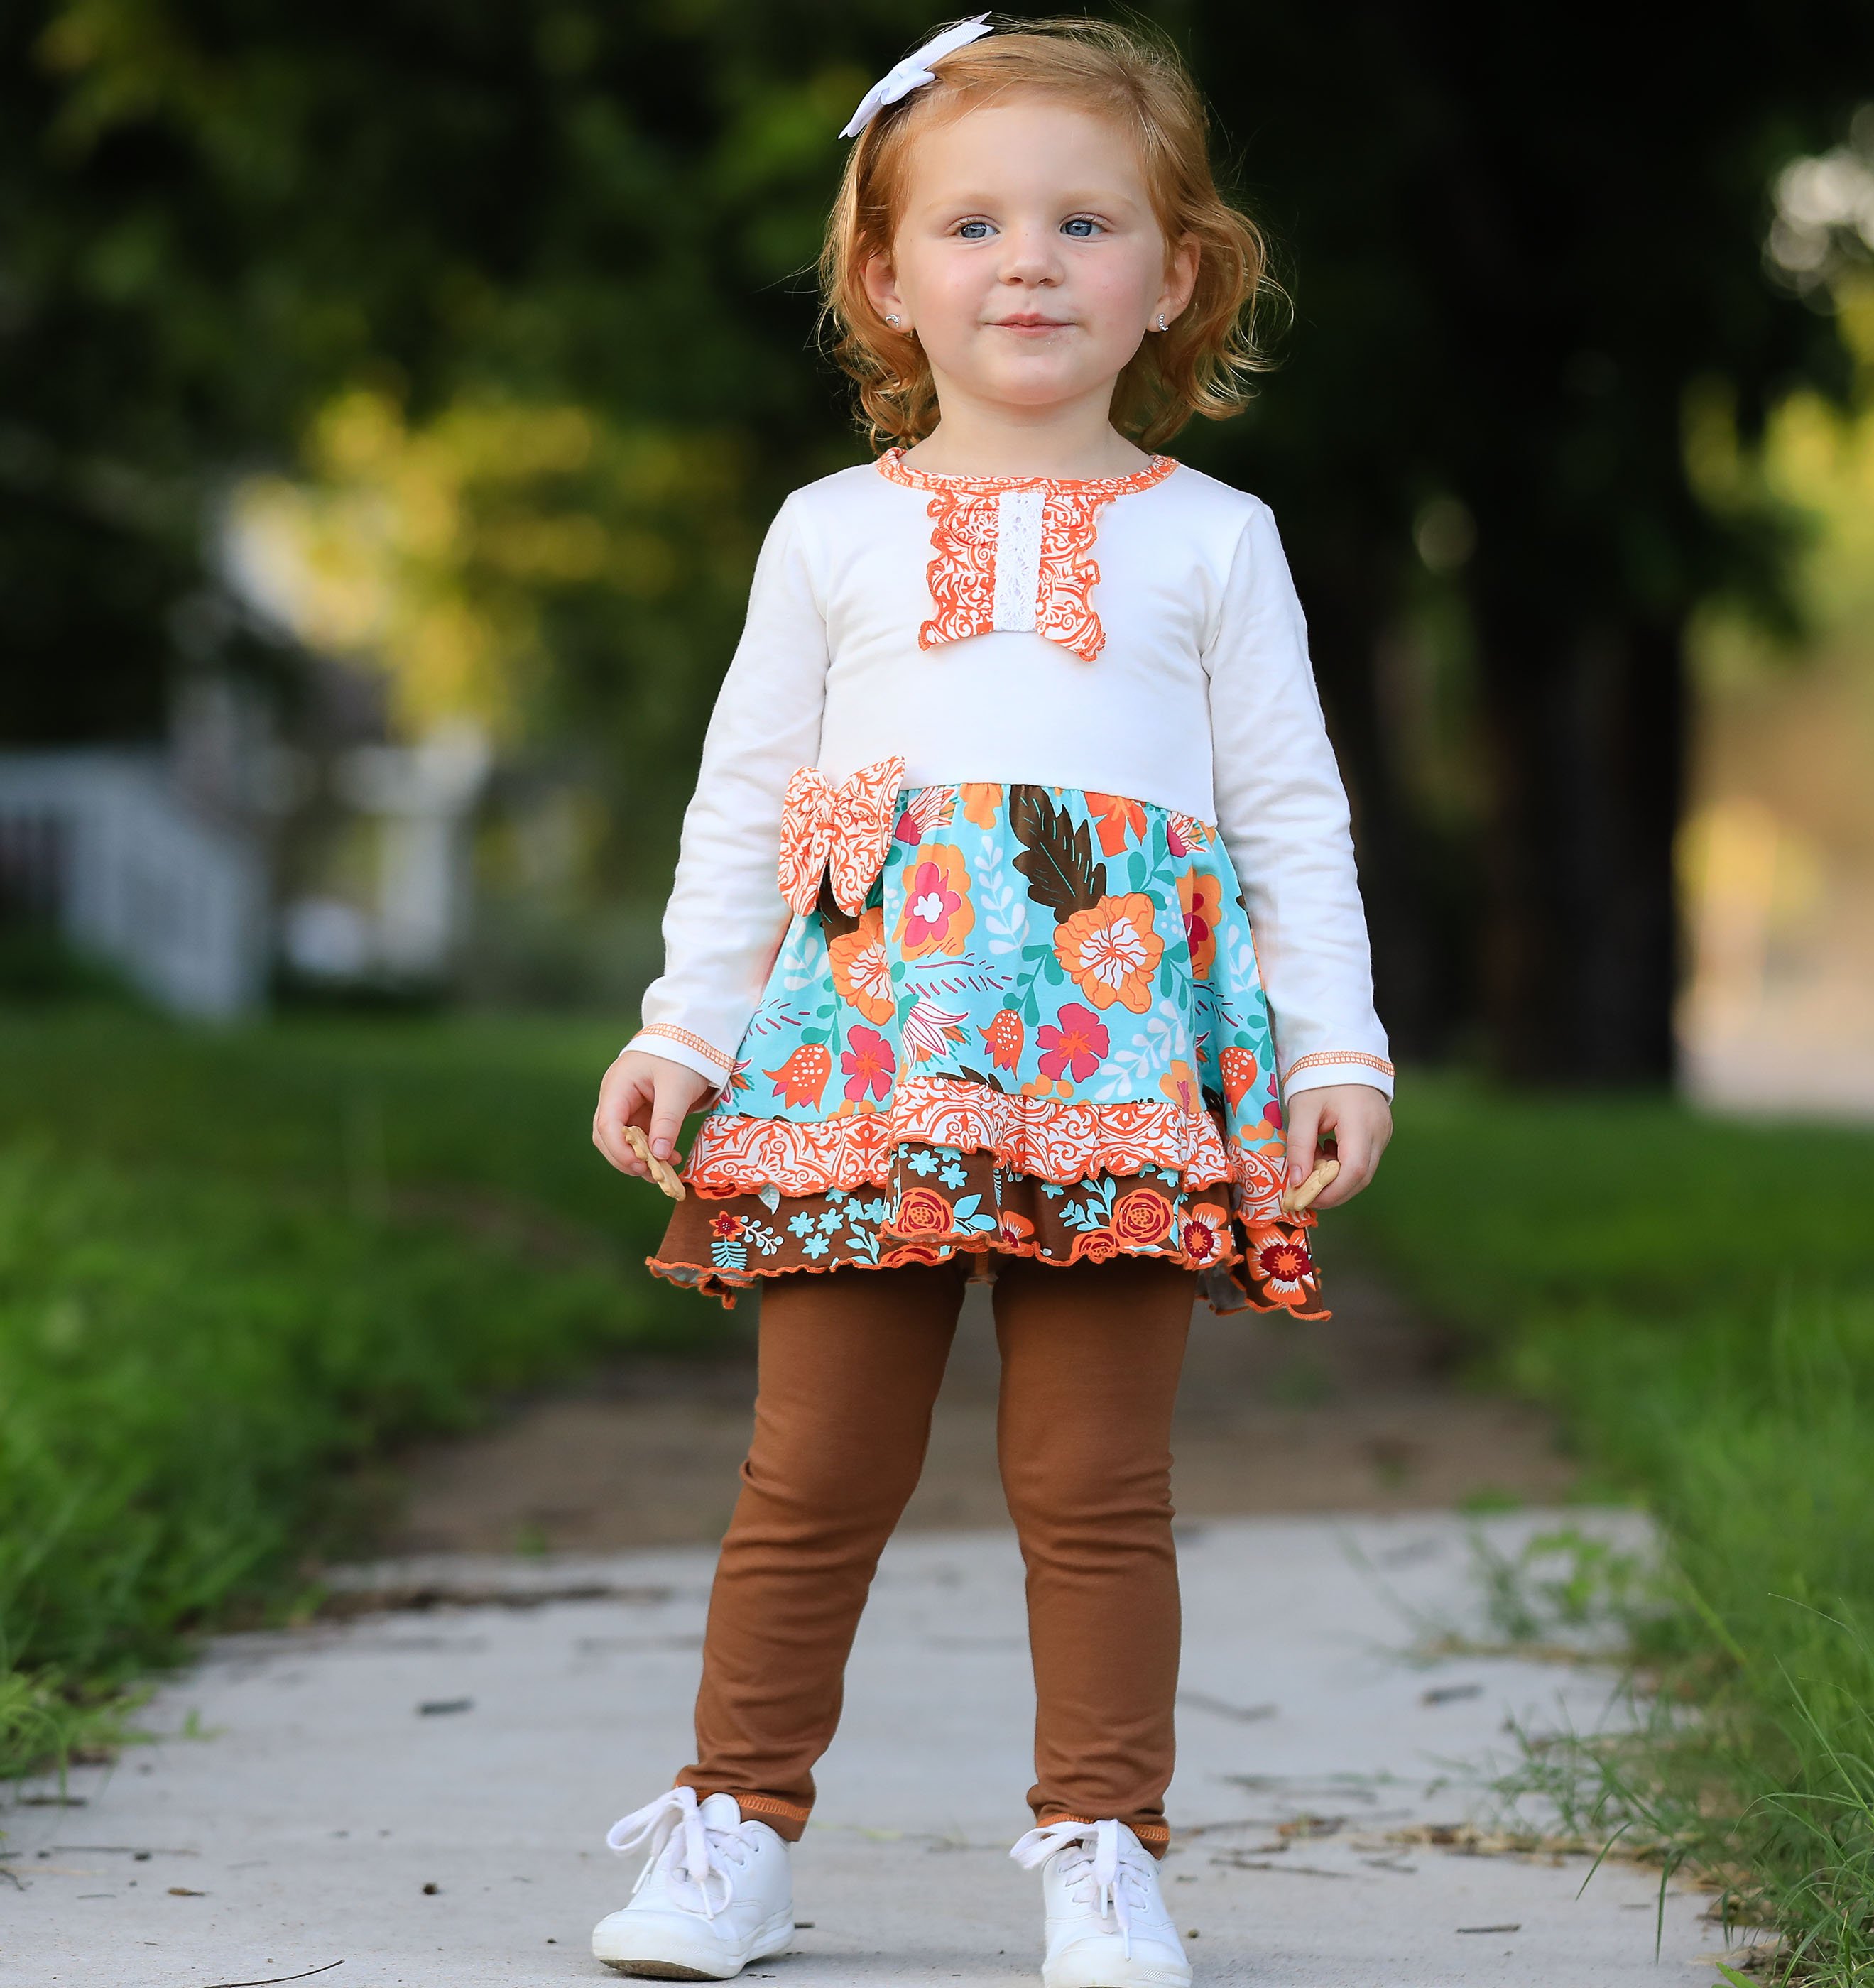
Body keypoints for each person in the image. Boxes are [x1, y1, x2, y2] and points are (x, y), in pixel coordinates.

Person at [585, 16, 1393, 1984]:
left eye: (1084, 220)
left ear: (1173, 275)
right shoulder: (831, 534)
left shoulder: (1216, 542)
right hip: (861, 1066)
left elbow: (1291, 815)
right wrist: (685, 1028)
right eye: (971, 222)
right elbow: (751, 809)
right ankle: (733, 1829)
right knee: (815, 1469)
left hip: (1120, 1071)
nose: (1026, 261)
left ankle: (1105, 1849)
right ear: (887, 277)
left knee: (1096, 1487)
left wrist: (1332, 1043)